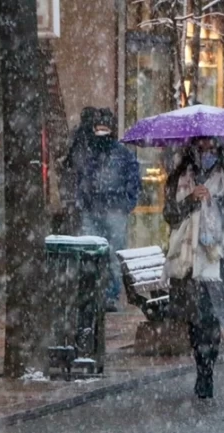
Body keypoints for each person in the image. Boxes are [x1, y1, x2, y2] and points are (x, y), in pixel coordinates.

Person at [162, 137, 224, 399]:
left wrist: (213, 204)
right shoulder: (180, 175)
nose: (206, 151)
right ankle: (201, 365)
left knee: (212, 317)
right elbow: (170, 214)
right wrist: (191, 200)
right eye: (201, 146)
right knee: (196, 319)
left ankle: (208, 369)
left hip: (217, 255)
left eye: (210, 146)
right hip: (188, 257)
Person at [70, 107, 141, 312]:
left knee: (112, 255)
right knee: (92, 253)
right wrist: (84, 201)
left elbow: (133, 181)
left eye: (104, 129)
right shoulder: (92, 153)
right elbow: (82, 178)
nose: (101, 133)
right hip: (94, 210)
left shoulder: (121, 154)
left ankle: (110, 294)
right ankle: (95, 293)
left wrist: (125, 204)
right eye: (98, 129)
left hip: (114, 211)